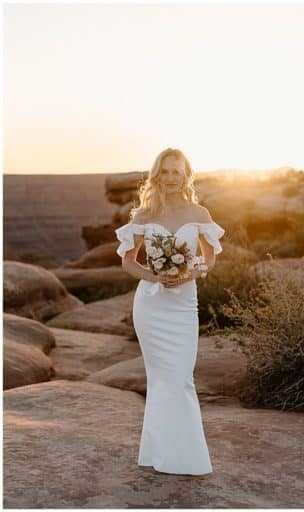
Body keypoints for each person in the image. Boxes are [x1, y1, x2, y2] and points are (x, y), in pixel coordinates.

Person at [115, 148, 224, 475]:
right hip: (151, 303)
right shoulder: (144, 216)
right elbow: (127, 261)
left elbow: (210, 258)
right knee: (162, 379)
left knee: (180, 378)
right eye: (166, 172)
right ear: (157, 176)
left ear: (186, 175)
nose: (172, 178)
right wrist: (155, 276)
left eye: (177, 172)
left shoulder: (200, 213)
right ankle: (160, 453)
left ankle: (182, 456)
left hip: (182, 304)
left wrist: (192, 273)